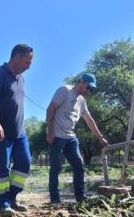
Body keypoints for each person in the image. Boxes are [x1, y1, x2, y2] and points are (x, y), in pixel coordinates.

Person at [0, 44, 33, 217]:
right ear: (17, 57)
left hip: (20, 132)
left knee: (24, 162)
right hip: (0, 132)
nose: (29, 65)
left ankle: (12, 198)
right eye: (28, 61)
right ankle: (1, 204)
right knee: (1, 168)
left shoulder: (21, 79)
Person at [46, 73, 108, 204]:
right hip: (57, 136)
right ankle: (55, 198)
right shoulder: (65, 91)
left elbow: (89, 120)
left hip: (71, 137)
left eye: (91, 90)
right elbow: (50, 109)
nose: (88, 91)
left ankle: (81, 197)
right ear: (81, 81)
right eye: (88, 87)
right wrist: (50, 132)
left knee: (79, 165)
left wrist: (100, 137)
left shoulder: (82, 101)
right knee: (56, 166)